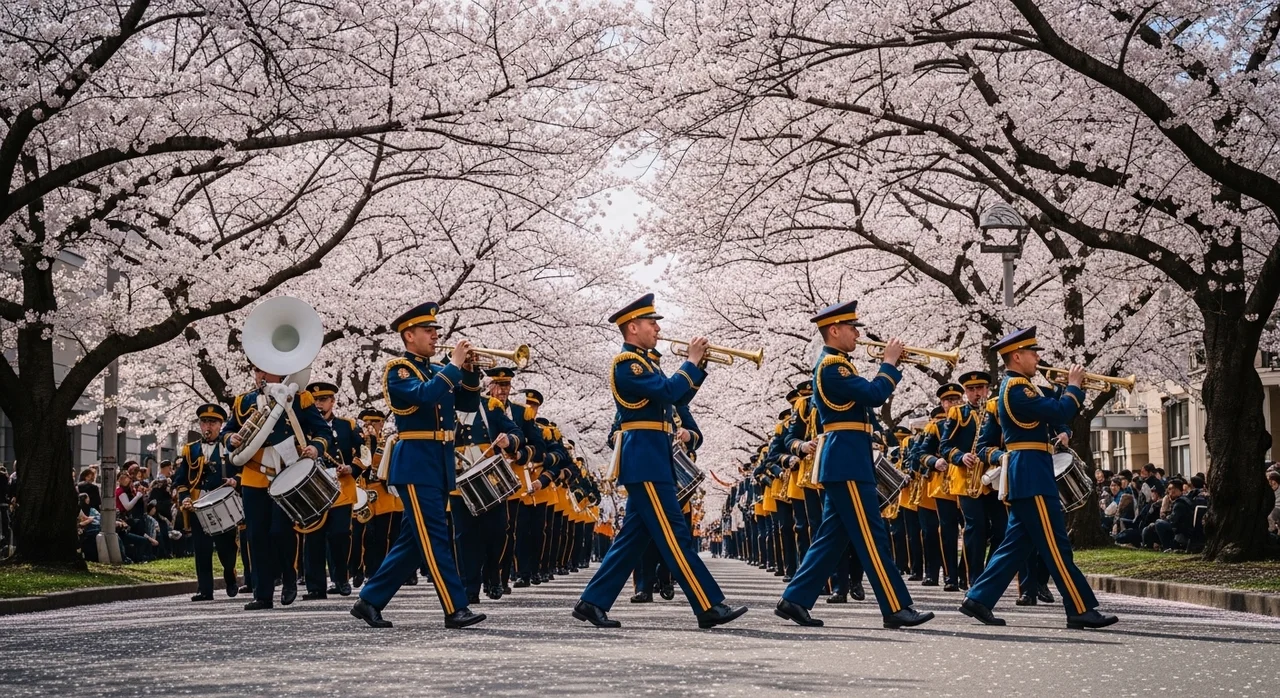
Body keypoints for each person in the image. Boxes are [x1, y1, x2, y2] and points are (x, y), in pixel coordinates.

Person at [573, 293, 747, 629]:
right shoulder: (628, 364)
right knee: (675, 534)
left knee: (632, 540)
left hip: (652, 458)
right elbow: (668, 392)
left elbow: (676, 398)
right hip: (646, 459)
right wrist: (691, 362)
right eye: (652, 323)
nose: (657, 328)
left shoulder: (645, 362)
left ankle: (592, 602)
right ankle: (709, 604)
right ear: (633, 328)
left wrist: (699, 367)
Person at [775, 300, 933, 629]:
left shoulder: (838, 364)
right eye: (852, 328)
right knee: (873, 536)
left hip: (846, 458)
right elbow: (875, 394)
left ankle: (795, 599)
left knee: (832, 537)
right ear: (834, 330)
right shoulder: (834, 366)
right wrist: (889, 363)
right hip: (846, 461)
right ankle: (895, 606)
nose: (858, 334)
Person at [960, 327, 1118, 630]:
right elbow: (1061, 409)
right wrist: (1074, 386)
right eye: (1033, 353)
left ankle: (978, 599)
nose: (1038, 358)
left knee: (1015, 546)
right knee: (1057, 546)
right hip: (1032, 473)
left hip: (1029, 472)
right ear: (1016, 356)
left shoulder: (1015, 387)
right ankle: (1079, 607)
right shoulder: (1019, 388)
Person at [350, 301, 485, 629]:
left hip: (437, 463)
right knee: (437, 535)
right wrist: (453, 366)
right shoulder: (399, 370)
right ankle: (455, 608)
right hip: (415, 463)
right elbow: (424, 396)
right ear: (409, 335)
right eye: (428, 331)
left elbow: (466, 403)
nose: (435, 335)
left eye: (436, 330)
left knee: (414, 542)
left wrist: (469, 372)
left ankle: (369, 601)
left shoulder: (438, 370)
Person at [221, 362, 332, 610]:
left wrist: (316, 447)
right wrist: (232, 439)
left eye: (264, 370)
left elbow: (323, 431)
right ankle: (263, 594)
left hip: (286, 472)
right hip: (253, 475)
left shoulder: (299, 398)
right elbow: (227, 431)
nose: (259, 375)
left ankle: (290, 578)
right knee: (257, 535)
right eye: (256, 370)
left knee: (280, 531)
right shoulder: (243, 402)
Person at [176, 403, 241, 601]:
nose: (207, 427)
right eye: (204, 422)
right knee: (202, 549)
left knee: (226, 548)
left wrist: (235, 481)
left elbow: (242, 470)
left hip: (223, 503)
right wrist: (185, 498)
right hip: (199, 504)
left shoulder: (230, 446)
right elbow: (180, 480)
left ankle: (230, 574)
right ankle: (205, 589)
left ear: (220, 425)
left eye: (212, 422)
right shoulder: (190, 450)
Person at [301, 381, 360, 600]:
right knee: (313, 537)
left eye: (323, 400)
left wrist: (352, 468)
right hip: (312, 488)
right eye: (315, 400)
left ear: (333, 401)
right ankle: (315, 586)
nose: (318, 404)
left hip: (341, 486)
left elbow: (364, 453)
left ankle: (341, 579)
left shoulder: (348, 425)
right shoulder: (303, 425)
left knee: (339, 535)